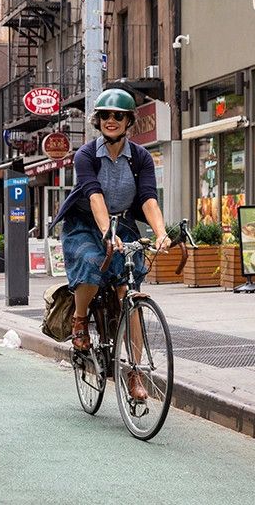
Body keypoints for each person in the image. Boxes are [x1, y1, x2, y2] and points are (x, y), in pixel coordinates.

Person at [50, 88, 170, 402]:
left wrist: (160, 233)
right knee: (91, 263)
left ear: (129, 120)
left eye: (118, 115)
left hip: (124, 224)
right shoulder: (86, 155)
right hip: (85, 224)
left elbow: (148, 198)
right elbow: (94, 195)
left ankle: (134, 373)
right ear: (98, 120)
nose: (111, 120)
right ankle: (79, 322)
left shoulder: (141, 157)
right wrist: (106, 233)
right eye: (105, 115)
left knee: (129, 291)